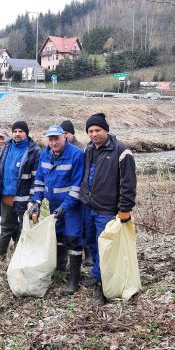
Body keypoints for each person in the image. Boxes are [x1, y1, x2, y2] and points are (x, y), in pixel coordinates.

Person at [80, 113, 136, 304]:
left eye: (97, 130)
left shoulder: (121, 151)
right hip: (89, 206)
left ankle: (103, 286)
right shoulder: (89, 149)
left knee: (106, 249)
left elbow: (128, 184)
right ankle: (96, 275)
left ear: (106, 130)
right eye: (90, 131)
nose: (94, 134)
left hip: (107, 210)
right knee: (93, 244)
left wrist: (125, 209)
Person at [29, 125, 85, 295]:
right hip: (54, 205)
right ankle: (60, 269)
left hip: (72, 206)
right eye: (50, 139)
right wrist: (36, 201)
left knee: (73, 238)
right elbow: (39, 180)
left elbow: (77, 186)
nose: (53, 142)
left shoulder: (76, 154)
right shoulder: (44, 154)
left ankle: (74, 280)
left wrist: (65, 207)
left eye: (56, 138)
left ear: (64, 137)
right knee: (58, 236)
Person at [0, 121, 41, 260]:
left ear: (26, 133)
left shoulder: (34, 150)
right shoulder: (6, 147)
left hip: (24, 198)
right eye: (15, 131)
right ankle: (1, 257)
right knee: (5, 227)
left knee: (26, 229)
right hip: (5, 195)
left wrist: (32, 199)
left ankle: (24, 258)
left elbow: (36, 178)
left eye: (21, 131)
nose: (17, 134)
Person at [60, 119, 93, 267]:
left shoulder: (82, 149)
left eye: (66, 133)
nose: (64, 136)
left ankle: (88, 253)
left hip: (82, 193)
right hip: (66, 194)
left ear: (72, 134)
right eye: (62, 133)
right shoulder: (60, 149)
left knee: (84, 224)